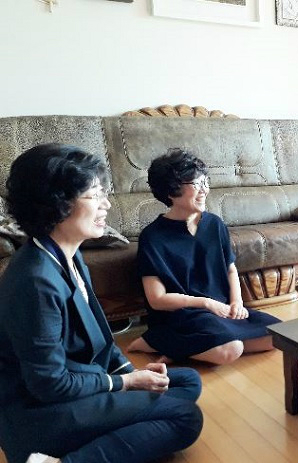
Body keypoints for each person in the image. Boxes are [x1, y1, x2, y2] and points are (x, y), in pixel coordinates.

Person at [0, 144, 203, 463]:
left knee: (187, 381)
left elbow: (102, 343)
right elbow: (49, 385)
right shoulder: (35, 280)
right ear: (57, 204)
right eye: (94, 195)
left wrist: (130, 374)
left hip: (78, 383)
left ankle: (102, 437)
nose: (106, 204)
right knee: (186, 417)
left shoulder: (69, 254)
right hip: (41, 412)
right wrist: (125, 383)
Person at [127, 149, 280, 365]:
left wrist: (237, 302)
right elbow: (156, 300)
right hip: (182, 316)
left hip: (221, 311)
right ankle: (161, 340)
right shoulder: (152, 237)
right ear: (171, 191)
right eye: (196, 184)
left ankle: (176, 347)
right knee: (232, 348)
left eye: (205, 182)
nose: (205, 190)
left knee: (280, 335)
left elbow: (230, 269)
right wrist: (206, 304)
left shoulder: (215, 224)